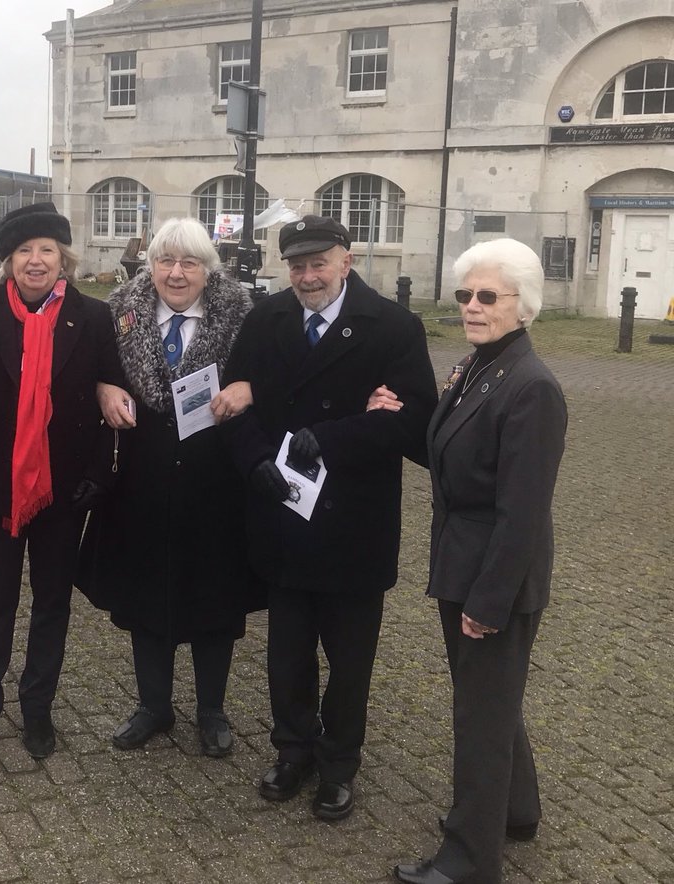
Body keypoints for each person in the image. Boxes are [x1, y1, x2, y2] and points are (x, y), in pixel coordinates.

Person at [221, 215, 437, 820]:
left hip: (353, 522)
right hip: (284, 512)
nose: (307, 276)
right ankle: (292, 750)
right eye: (297, 265)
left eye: (319, 263)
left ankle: (339, 762)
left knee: (350, 660)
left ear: (348, 260)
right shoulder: (266, 318)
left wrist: (335, 438)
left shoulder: (392, 326)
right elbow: (235, 400)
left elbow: (417, 419)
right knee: (287, 652)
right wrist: (254, 461)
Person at [391, 239, 566, 884]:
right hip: (461, 561)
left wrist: (490, 602)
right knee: (490, 699)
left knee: (480, 718)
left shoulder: (531, 387)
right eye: (466, 294)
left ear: (524, 305)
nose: (472, 306)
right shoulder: (479, 366)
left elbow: (524, 512)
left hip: (494, 576)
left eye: (488, 296)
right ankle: (516, 811)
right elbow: (451, 454)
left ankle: (469, 858)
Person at [0, 202, 124, 765]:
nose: (35, 260)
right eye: (23, 251)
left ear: (64, 259)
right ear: (8, 262)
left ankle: (37, 708)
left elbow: (110, 395)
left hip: (62, 492)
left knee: (52, 603)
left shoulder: (93, 317)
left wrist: (98, 475)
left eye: (46, 250)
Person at [77, 217, 261, 758]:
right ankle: (153, 706)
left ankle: (212, 710)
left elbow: (273, 372)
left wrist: (250, 386)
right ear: (150, 264)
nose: (176, 274)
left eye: (189, 263)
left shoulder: (245, 316)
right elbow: (90, 367)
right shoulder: (120, 312)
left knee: (214, 596)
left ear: (209, 269)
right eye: (166, 261)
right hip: (143, 477)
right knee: (145, 593)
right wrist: (103, 386)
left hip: (216, 481)